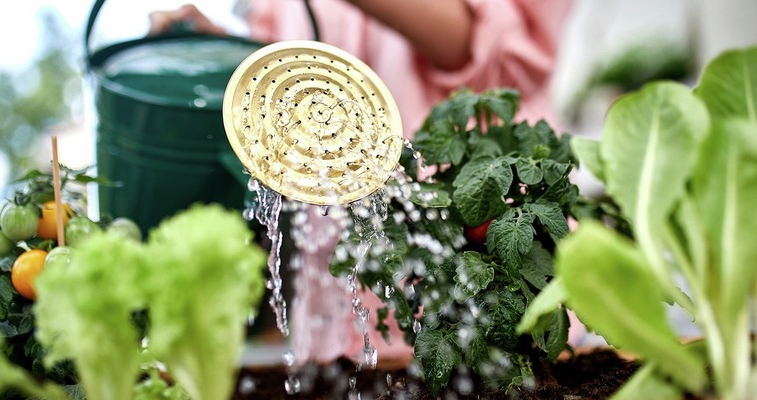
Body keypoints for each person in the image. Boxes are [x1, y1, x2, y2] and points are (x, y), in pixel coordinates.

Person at [149, 0, 575, 368]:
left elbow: (495, 52)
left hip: (469, 224)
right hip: (337, 268)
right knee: (346, 374)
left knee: (487, 363)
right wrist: (221, 47)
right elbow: (289, 74)